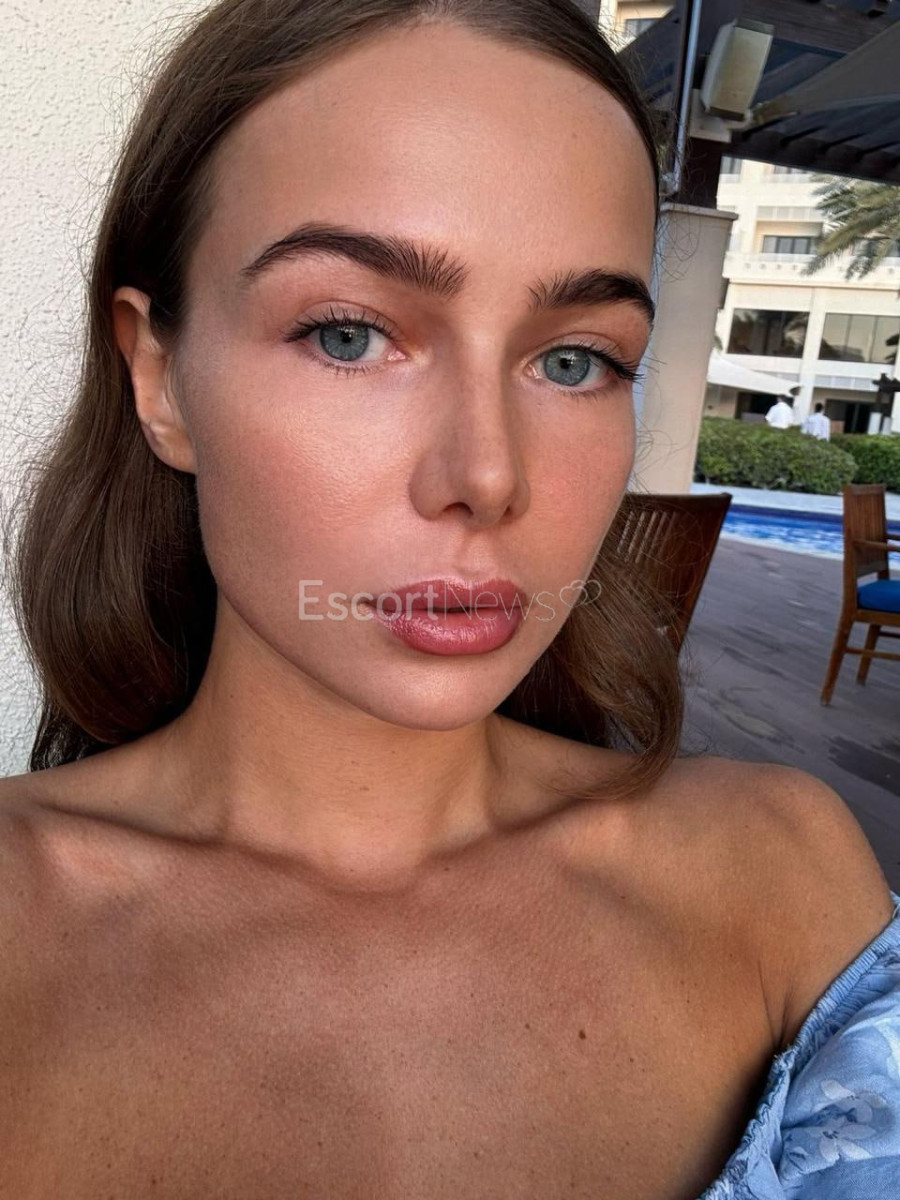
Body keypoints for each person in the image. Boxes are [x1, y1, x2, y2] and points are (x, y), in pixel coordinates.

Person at [1, 1, 897, 1197]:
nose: (488, 475)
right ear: (159, 377)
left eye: (574, 360)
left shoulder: (786, 879)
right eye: (347, 336)